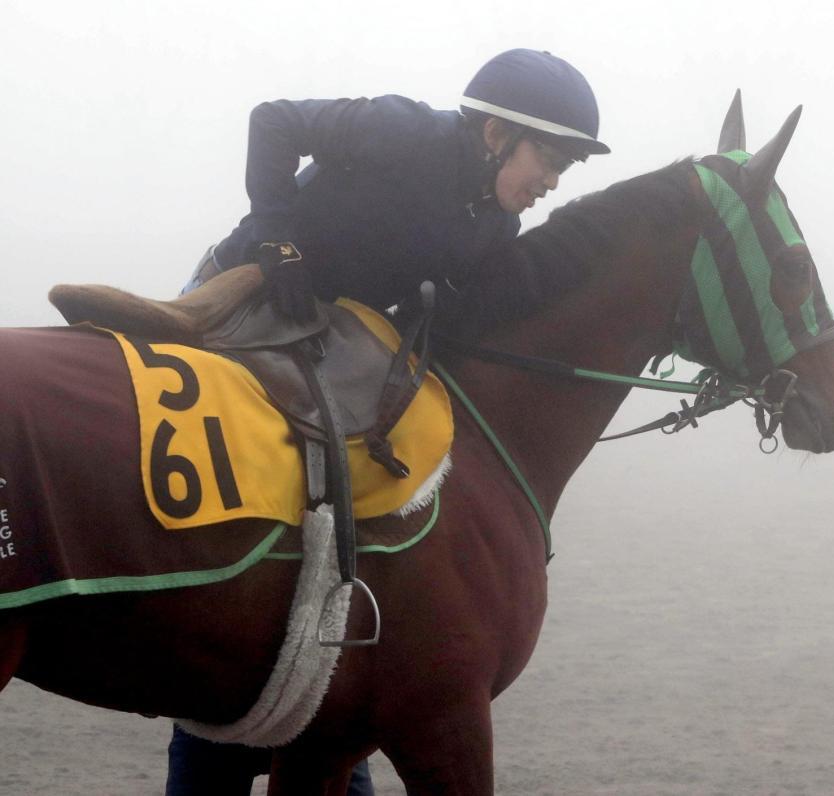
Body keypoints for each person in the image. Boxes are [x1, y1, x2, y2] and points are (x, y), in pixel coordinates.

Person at [167, 47, 609, 795]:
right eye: (550, 157)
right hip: (242, 302)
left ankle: (339, 711)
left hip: (335, 345)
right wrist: (276, 240)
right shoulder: (404, 130)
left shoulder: (492, 230)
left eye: (567, 166)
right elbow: (273, 122)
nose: (553, 180)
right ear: (496, 133)